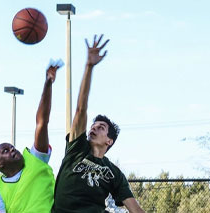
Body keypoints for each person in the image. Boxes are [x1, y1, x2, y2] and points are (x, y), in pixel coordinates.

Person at [52, 35, 145, 213]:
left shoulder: (113, 173)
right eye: (93, 125)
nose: (93, 127)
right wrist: (89, 66)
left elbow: (135, 208)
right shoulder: (77, 148)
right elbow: (80, 109)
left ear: (109, 141)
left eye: (101, 127)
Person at [0, 60, 62, 213]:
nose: (12, 149)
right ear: (0, 164)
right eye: (6, 151)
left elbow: (42, 122)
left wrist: (48, 83)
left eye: (11, 147)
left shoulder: (35, 158)